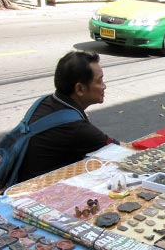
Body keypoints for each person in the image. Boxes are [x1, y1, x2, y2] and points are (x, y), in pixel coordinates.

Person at [18, 50, 119, 182]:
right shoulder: (75, 127)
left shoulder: (44, 102)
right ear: (80, 89)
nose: (104, 86)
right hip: (34, 193)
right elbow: (120, 149)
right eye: (99, 81)